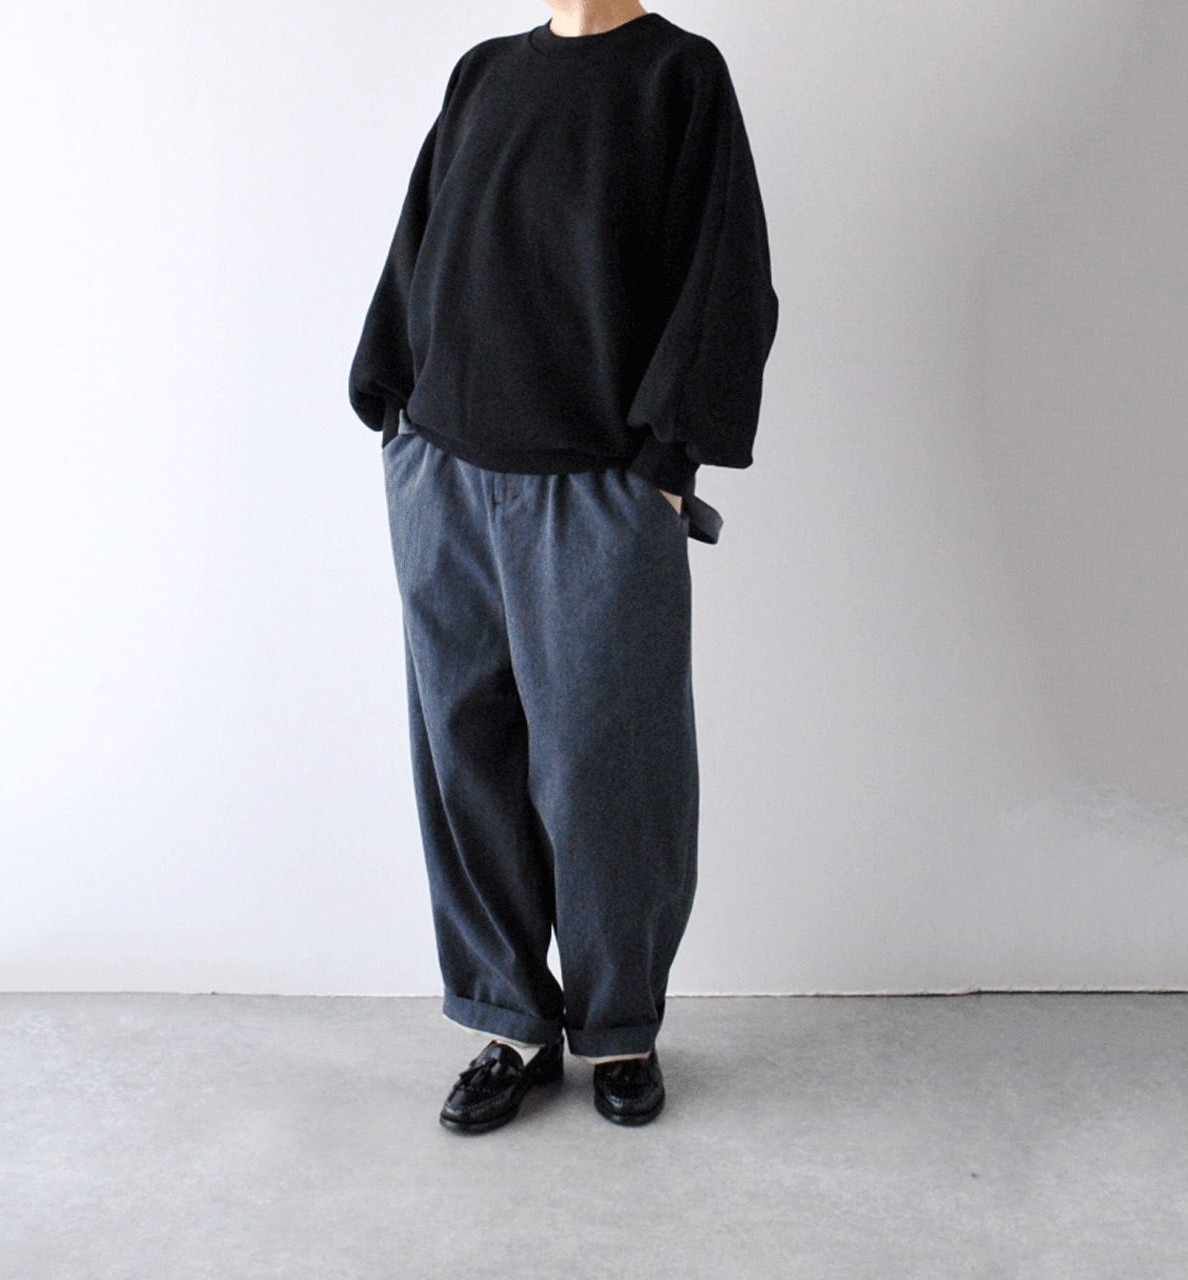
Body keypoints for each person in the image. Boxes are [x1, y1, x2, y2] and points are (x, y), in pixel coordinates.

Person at [348, 0, 778, 1134]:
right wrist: (391, 404)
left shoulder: (677, 76)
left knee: (608, 766)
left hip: (595, 486)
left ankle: (620, 1026)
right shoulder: (483, 71)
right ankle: (509, 1021)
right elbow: (419, 238)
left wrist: (667, 465)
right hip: (444, 473)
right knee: (466, 754)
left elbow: (726, 269)